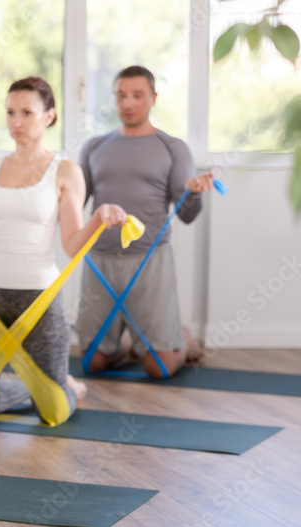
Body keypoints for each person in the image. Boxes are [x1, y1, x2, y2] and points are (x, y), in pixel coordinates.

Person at [0, 76, 127, 418]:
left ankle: (65, 388)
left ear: (48, 116)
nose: (16, 122)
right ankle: (46, 384)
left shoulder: (65, 171)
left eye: (27, 113)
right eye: (10, 113)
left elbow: (73, 244)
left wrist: (100, 216)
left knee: (52, 410)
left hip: (39, 298)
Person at [77, 65, 212, 379]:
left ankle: (184, 340)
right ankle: (130, 340)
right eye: (121, 96)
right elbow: (74, 204)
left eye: (137, 95)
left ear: (153, 97)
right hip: (100, 261)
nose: (128, 103)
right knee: (92, 363)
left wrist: (192, 193)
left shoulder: (173, 147)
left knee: (158, 367)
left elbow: (187, 215)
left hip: (150, 260)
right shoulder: (94, 147)